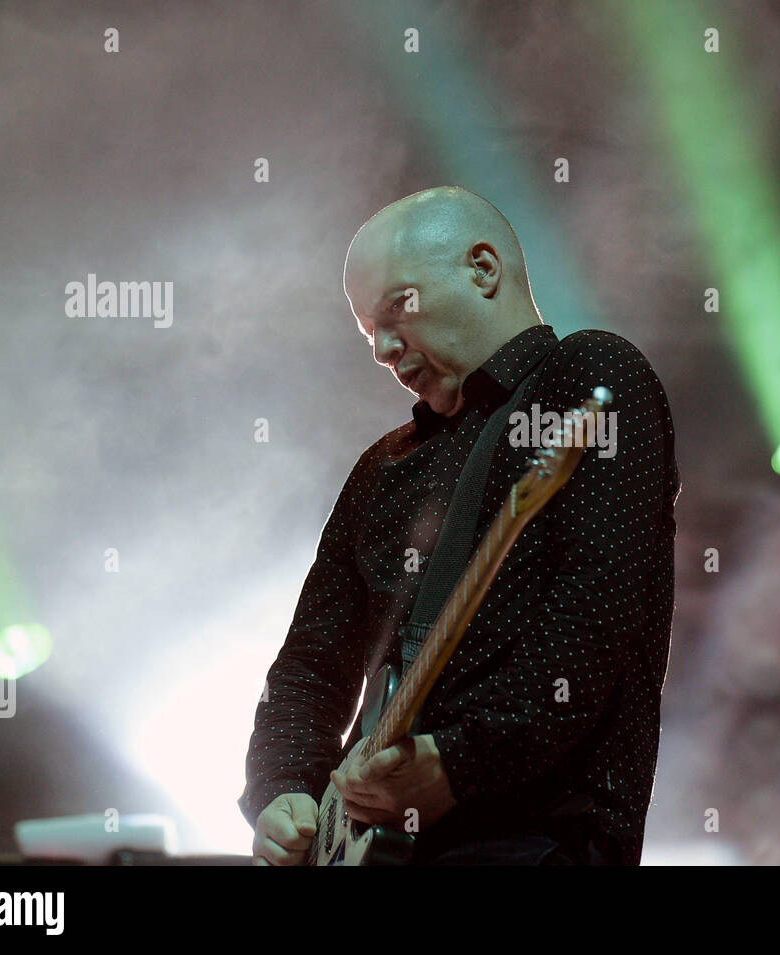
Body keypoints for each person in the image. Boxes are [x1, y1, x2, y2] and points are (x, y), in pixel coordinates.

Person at [239, 185, 679, 865]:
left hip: (537, 838)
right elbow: (308, 665)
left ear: (482, 268)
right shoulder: (383, 468)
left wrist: (460, 763)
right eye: (368, 333)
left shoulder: (590, 375)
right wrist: (283, 787)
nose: (383, 347)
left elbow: (591, 623)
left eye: (397, 309)